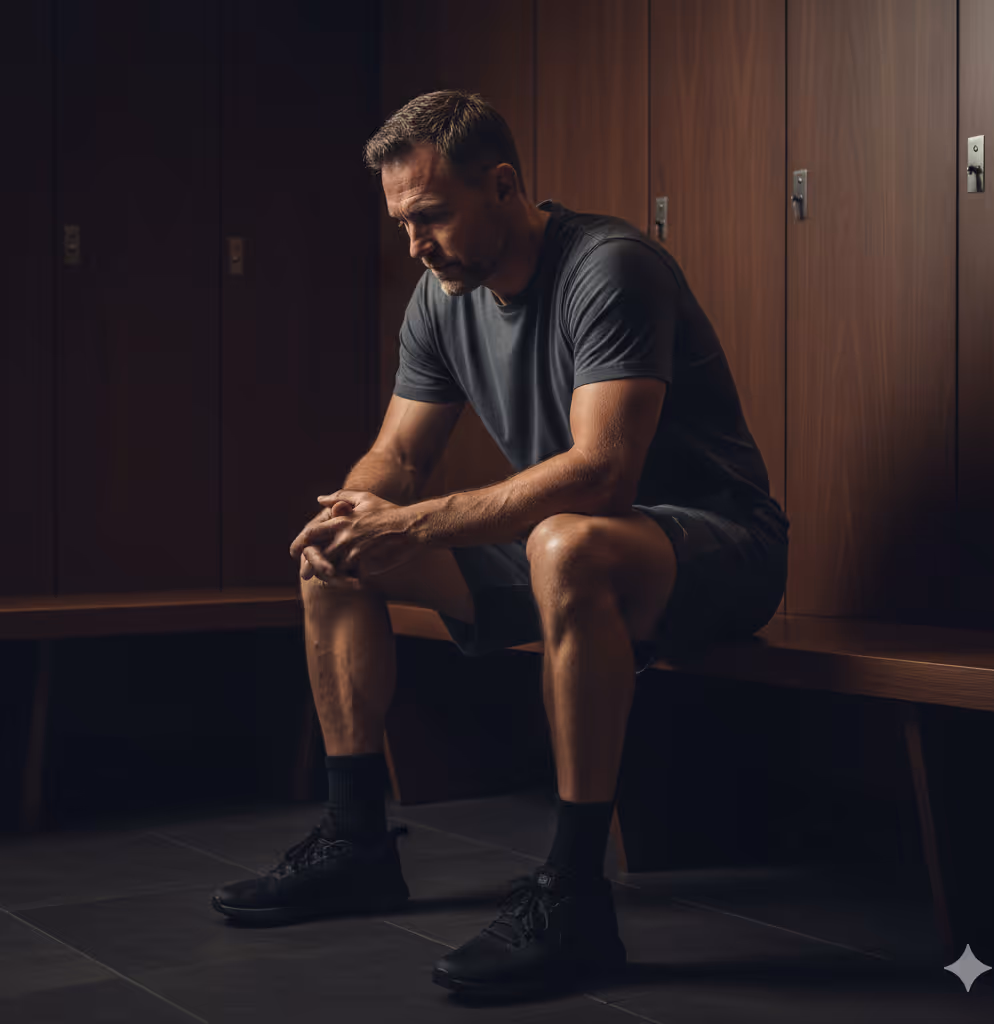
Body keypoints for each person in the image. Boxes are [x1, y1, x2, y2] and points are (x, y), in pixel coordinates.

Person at [211, 89, 789, 1001]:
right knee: (340, 558)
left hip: (719, 547)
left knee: (566, 542)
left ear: (505, 186)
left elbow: (604, 474)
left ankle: (574, 896)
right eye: (403, 223)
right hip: (566, 549)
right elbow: (400, 455)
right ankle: (356, 841)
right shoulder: (440, 297)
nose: (416, 243)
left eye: (432, 215)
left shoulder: (610, 267)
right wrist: (355, 512)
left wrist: (412, 522)